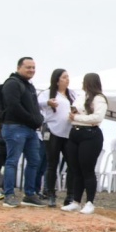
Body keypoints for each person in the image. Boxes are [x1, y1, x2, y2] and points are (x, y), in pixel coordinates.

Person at [0, 57, 44, 208]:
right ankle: (8, 194)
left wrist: (38, 119)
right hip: (15, 127)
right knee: (12, 161)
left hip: (30, 130)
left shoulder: (29, 86)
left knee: (34, 161)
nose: (31, 70)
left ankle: (29, 194)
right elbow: (13, 106)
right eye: (28, 67)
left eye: (33, 67)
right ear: (19, 67)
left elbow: (34, 106)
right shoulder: (12, 83)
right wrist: (32, 119)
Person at [62, 73, 108, 214]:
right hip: (75, 133)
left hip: (90, 134)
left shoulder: (99, 98)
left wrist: (77, 117)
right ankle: (76, 201)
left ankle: (90, 202)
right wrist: (74, 115)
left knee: (87, 169)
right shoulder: (81, 97)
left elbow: (97, 118)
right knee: (75, 169)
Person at [39, 68, 74, 208]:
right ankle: (50, 194)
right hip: (52, 131)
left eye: (68, 77)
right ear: (57, 80)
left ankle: (70, 195)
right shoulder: (47, 93)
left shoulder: (71, 94)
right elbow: (38, 103)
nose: (67, 79)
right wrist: (48, 103)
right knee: (52, 164)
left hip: (68, 132)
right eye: (64, 77)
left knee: (71, 165)